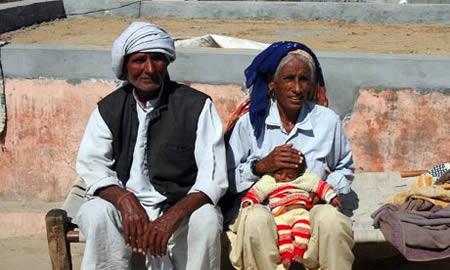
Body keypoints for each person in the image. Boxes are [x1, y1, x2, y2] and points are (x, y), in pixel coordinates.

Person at [75, 22, 228, 270]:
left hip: (179, 210)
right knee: (96, 213)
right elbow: (92, 165)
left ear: (167, 62)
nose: (149, 69)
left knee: (207, 218)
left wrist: (172, 217)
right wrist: (124, 199)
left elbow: (213, 177)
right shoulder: (108, 109)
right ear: (125, 65)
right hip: (126, 214)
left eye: (157, 59)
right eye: (139, 60)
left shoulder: (197, 106)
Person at [226, 41, 355, 270]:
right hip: (264, 207)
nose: (297, 88)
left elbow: (344, 168)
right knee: (255, 221)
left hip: (308, 207)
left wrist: (324, 191)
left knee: (332, 222)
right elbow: (226, 179)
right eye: (289, 79)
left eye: (304, 79)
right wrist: (260, 166)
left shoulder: (327, 121)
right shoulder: (250, 124)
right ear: (272, 85)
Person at [240, 165, 341, 269]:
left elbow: (321, 186)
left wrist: (331, 196)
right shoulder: (269, 180)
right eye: (279, 173)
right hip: (279, 215)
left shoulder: (305, 179)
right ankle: (286, 256)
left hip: (299, 212)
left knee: (302, 230)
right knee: (283, 235)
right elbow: (257, 192)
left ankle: (298, 253)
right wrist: (249, 201)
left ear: (298, 174)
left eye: (290, 176)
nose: (283, 178)